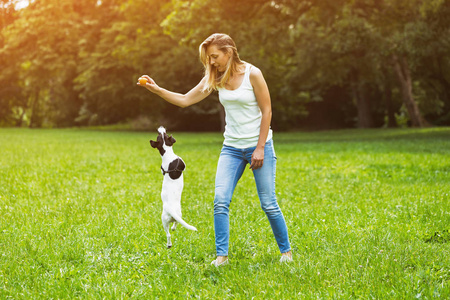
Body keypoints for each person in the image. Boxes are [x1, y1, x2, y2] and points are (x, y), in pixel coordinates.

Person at [138, 33, 292, 266]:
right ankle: (222, 257)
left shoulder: (253, 74)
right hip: (231, 147)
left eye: (214, 56)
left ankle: (286, 253)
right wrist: (157, 90)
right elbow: (184, 99)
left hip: (258, 145)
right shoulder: (216, 77)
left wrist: (260, 148)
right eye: (208, 58)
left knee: (268, 203)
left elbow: (267, 111)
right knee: (220, 201)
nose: (211, 62)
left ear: (229, 52)